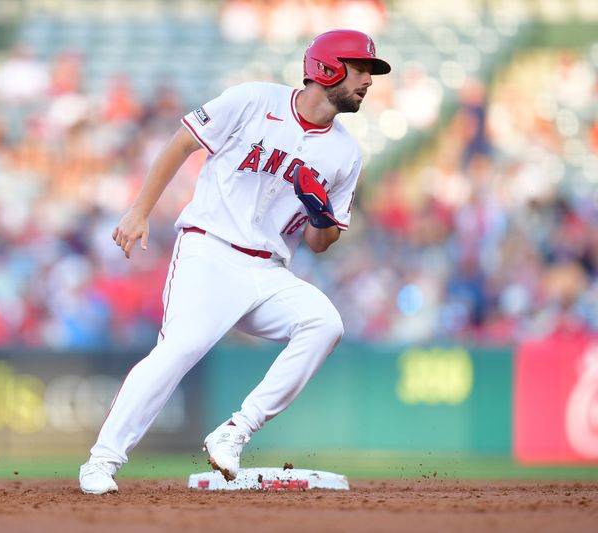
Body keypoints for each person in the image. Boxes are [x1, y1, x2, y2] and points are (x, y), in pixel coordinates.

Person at [78, 29, 391, 494]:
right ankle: (102, 461)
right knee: (180, 348)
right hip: (210, 250)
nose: (369, 80)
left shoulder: (346, 152)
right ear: (328, 68)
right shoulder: (253, 99)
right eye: (362, 69)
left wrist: (321, 213)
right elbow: (183, 143)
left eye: (370, 72)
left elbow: (321, 241)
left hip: (268, 271)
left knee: (324, 323)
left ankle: (235, 431)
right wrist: (140, 209)